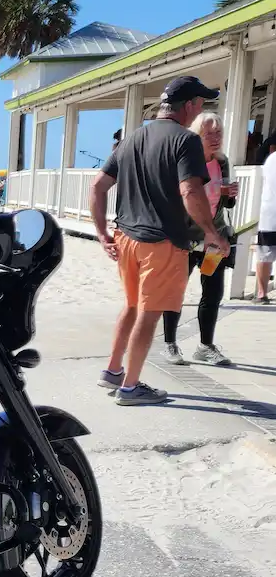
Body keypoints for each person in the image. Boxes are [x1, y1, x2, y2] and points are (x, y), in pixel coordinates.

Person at [89, 76, 230, 406]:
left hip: (126, 237)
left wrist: (101, 233)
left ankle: (112, 371)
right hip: (163, 241)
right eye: (202, 103)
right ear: (191, 106)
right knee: (149, 313)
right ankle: (130, 387)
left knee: (133, 305)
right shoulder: (186, 141)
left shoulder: (132, 137)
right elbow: (190, 191)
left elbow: (97, 186)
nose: (202, 109)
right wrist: (211, 232)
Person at [160, 113, 238, 366]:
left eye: (219, 133)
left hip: (214, 238)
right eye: (209, 134)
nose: (215, 139)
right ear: (196, 136)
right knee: (175, 292)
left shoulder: (222, 162)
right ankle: (170, 344)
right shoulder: (186, 161)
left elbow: (224, 204)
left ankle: (205, 346)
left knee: (213, 291)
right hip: (185, 238)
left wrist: (230, 195)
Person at [256, 146, 276, 303]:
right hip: (270, 214)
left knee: (264, 256)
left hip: (268, 215)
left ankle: (261, 293)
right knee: (264, 256)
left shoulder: (270, 159)